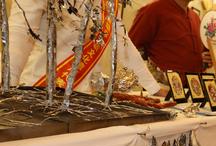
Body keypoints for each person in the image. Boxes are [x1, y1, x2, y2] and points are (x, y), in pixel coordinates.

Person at [7, 0, 162, 95]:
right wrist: (7, 88)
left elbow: (122, 41)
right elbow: (19, 33)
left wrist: (152, 87)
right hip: (40, 90)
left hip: (85, 97)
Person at [129, 0, 210, 76]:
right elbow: (129, 47)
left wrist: (206, 60)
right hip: (163, 87)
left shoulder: (195, 18)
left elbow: (196, 56)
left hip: (194, 86)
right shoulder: (154, 9)